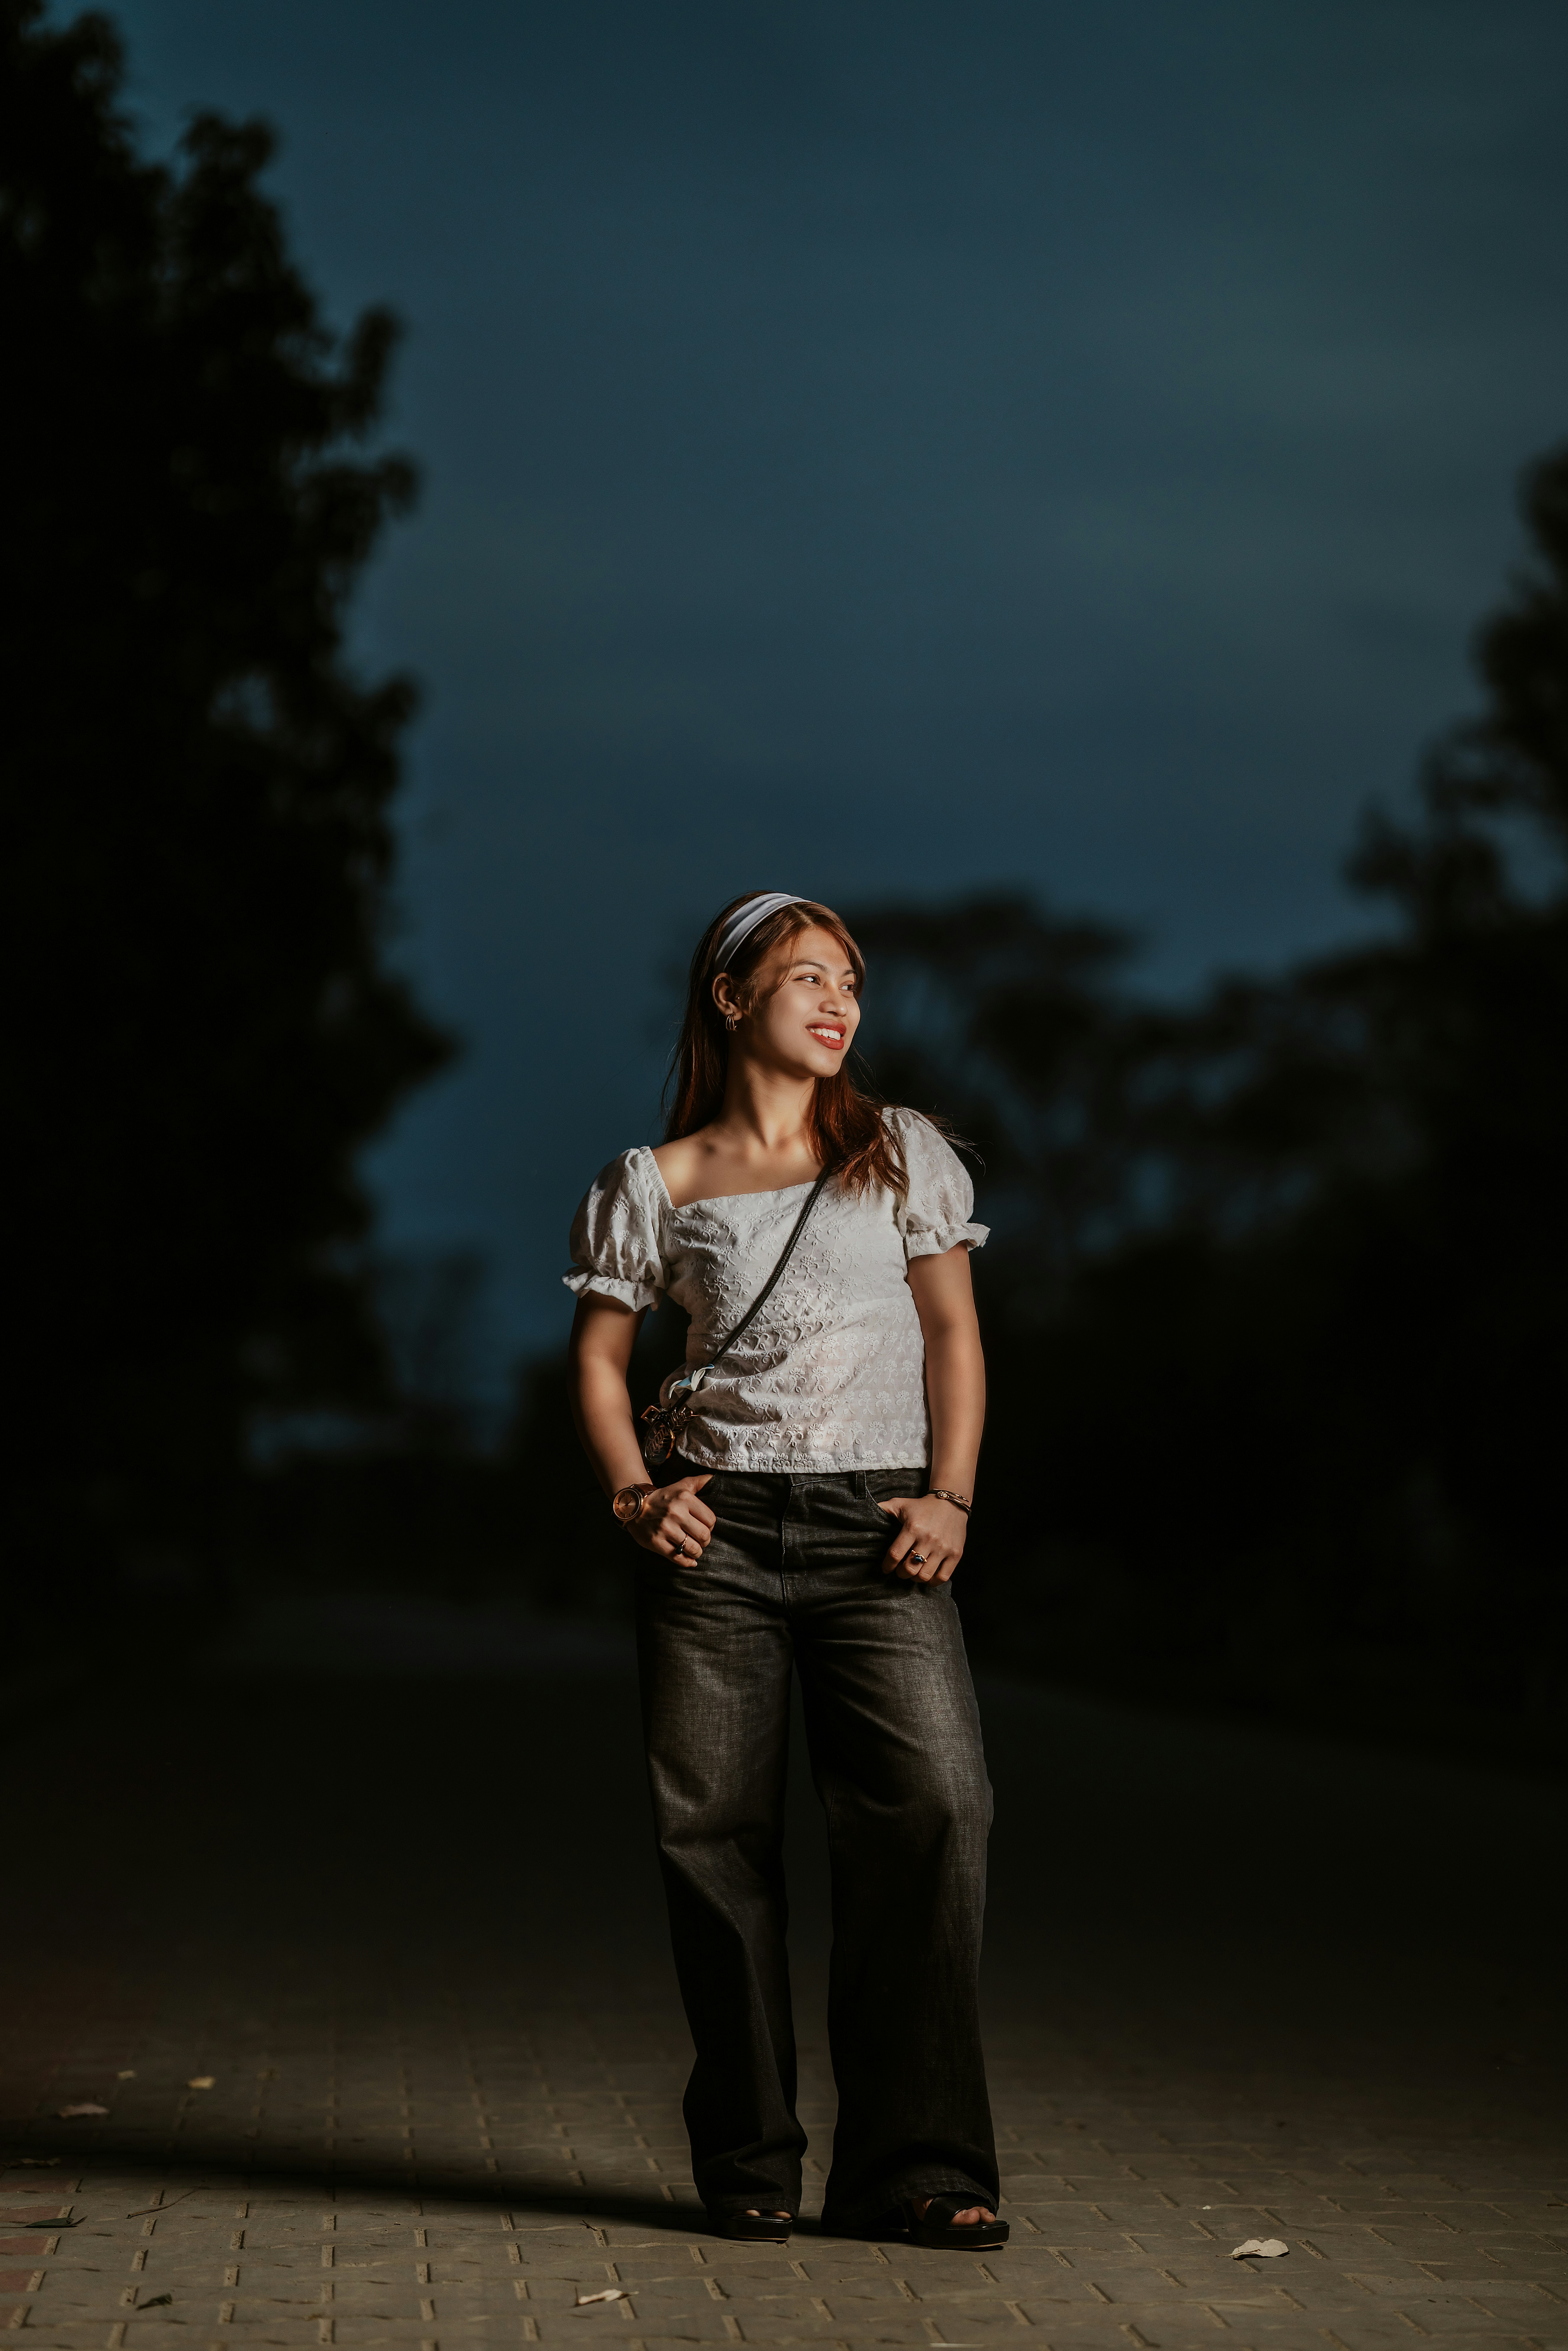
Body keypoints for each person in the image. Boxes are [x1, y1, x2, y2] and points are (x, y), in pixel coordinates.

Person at [564, 890, 1002, 2251]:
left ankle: (914, 2168)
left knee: (938, 1807)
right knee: (713, 1843)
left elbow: (954, 1336)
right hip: (719, 1542)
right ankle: (749, 2159)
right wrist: (636, 1496)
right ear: (731, 996)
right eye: (806, 976)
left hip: (883, 1532)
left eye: (853, 980)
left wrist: (951, 1495)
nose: (840, 1002)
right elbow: (597, 1359)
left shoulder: (900, 1154)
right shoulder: (661, 1178)